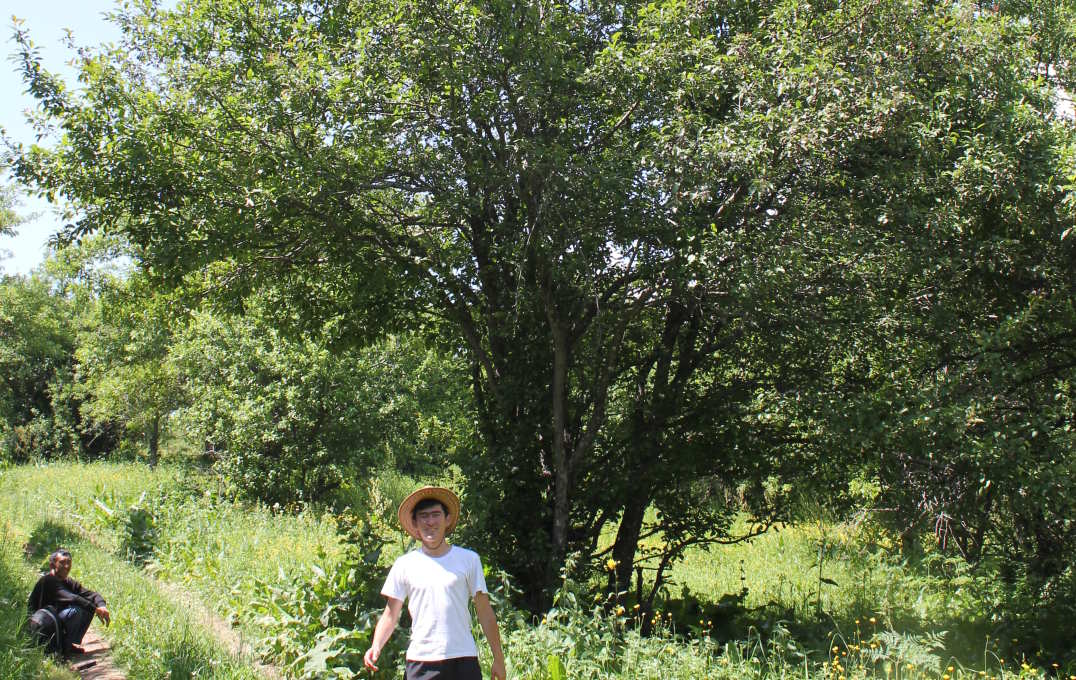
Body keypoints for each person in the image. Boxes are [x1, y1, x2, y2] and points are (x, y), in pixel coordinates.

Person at [364, 486, 507, 680]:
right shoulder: (404, 565)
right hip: (421, 662)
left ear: (447, 519)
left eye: (435, 514)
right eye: (423, 516)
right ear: (415, 523)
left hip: (463, 660)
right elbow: (390, 614)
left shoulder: (469, 560)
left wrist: (498, 658)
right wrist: (376, 645)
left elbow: (485, 612)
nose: (430, 522)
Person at [27, 549, 111, 656]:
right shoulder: (48, 580)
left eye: (69, 562)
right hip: (41, 627)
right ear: (52, 565)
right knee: (76, 610)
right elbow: (73, 598)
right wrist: (95, 609)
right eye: (62, 562)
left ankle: (68, 644)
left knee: (87, 605)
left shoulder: (67, 581)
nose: (67, 566)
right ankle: (62, 647)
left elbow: (91, 594)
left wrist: (102, 606)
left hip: (55, 622)